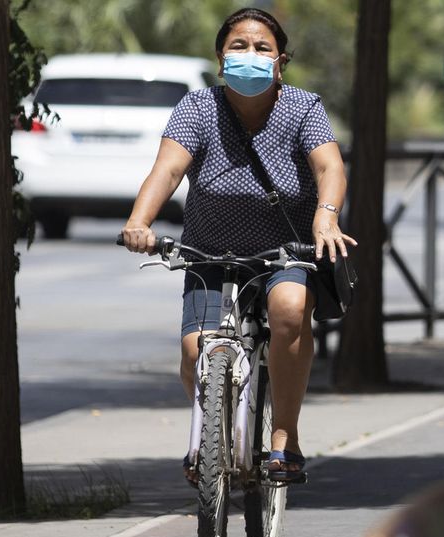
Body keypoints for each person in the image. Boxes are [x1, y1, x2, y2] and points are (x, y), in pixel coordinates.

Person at [121, 7, 356, 485]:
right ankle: (213, 438)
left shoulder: (303, 108)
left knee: (289, 310)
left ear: (280, 62)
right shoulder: (197, 108)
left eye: (262, 47)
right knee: (195, 353)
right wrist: (139, 221)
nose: (250, 54)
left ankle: (284, 438)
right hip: (210, 252)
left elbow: (329, 167)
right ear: (220, 58)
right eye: (239, 46)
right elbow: (167, 169)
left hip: (285, 252)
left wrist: (326, 216)